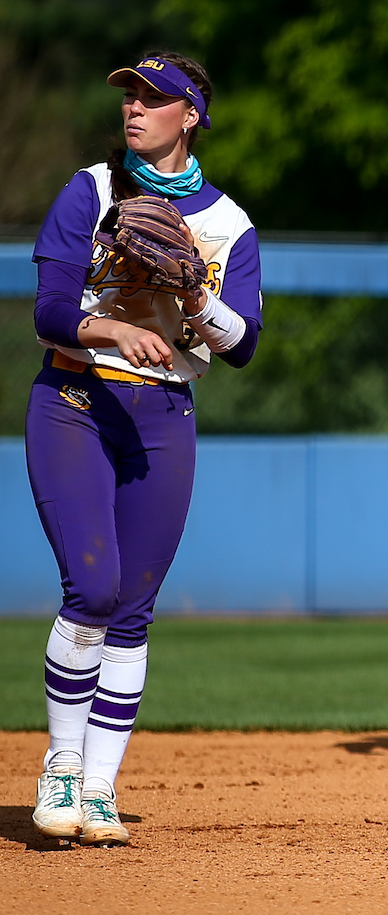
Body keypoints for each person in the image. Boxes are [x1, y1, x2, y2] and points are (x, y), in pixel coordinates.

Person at [28, 53, 263, 846]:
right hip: (75, 400)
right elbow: (50, 311)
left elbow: (242, 345)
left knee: (132, 610)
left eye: (155, 97)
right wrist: (112, 328)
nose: (135, 106)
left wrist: (196, 295)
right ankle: (62, 767)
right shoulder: (91, 191)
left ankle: (100, 788)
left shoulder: (228, 223)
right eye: (130, 94)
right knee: (93, 589)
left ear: (191, 115)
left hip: (164, 412)